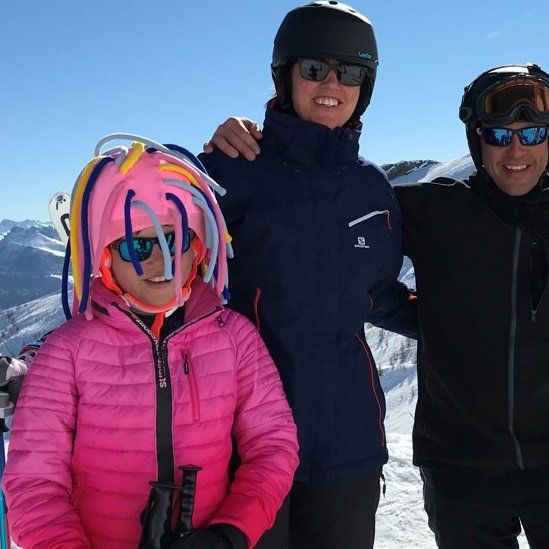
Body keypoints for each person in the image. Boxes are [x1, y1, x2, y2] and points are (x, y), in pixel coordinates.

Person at [208, 63, 549, 548]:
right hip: (458, 471)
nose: (516, 152)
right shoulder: (434, 210)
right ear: (477, 141)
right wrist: (266, 147)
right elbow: (334, 208)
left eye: (531, 133)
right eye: (498, 136)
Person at [1, 137, 299, 548]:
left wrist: (230, 534)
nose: (160, 262)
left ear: (198, 247)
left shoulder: (234, 338)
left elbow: (274, 446)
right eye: (137, 245)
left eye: (174, 240)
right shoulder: (66, 353)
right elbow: (34, 483)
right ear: (104, 256)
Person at [199, 2, 416, 547]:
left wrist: (464, 327)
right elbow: (163, 283)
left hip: (347, 442)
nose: (332, 84)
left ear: (365, 88)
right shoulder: (230, 170)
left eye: (351, 73)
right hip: (244, 441)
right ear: (285, 74)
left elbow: (379, 295)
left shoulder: (372, 190)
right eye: (315, 68)